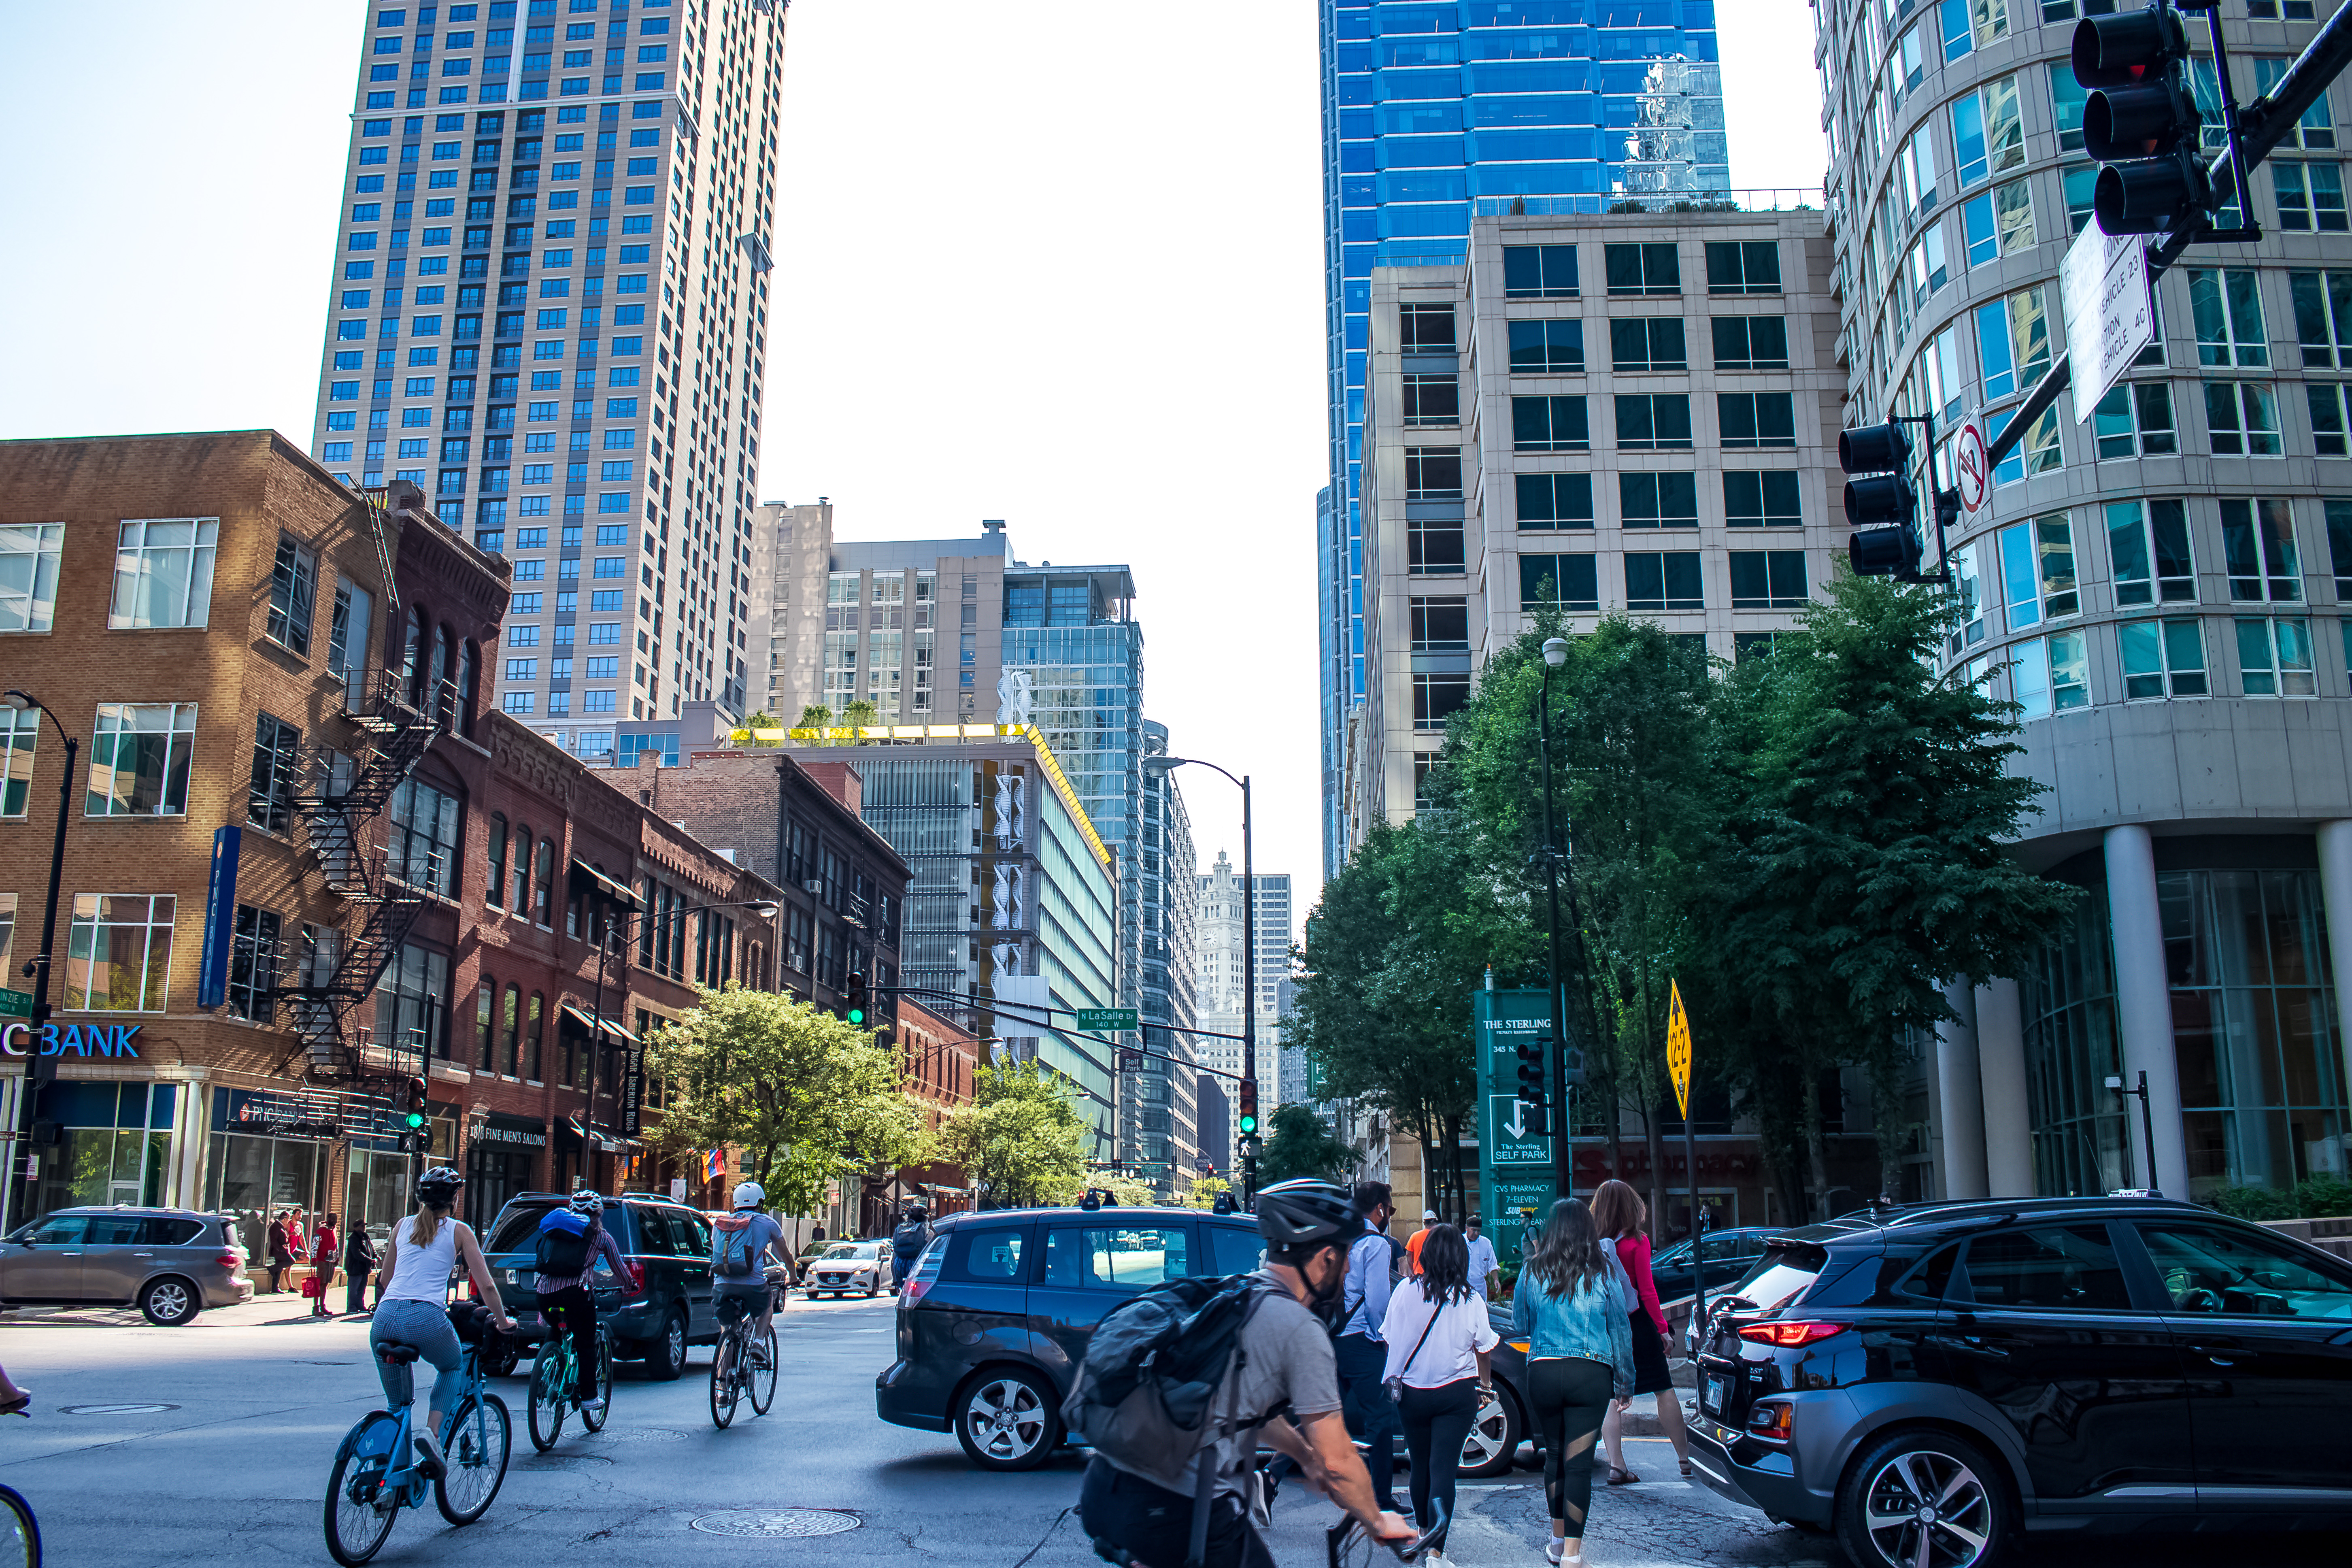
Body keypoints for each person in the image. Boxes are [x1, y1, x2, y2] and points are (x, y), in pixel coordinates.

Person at [1078, 1178, 1414, 1568]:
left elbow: (1242, 1407)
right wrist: (1378, 1519)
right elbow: (1338, 1459)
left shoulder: (1238, 1294)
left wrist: (1304, 1455)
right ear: (1326, 1258)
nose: (1350, 1266)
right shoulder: (1300, 1329)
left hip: (1107, 1491)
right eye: (1346, 1255)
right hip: (1178, 1510)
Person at [1512, 1198, 1633, 1568]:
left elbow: (1520, 1323)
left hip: (1545, 1372)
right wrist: (1625, 1382)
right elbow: (1619, 1329)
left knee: (1554, 1456)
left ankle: (1555, 1540)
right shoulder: (1604, 1270)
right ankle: (1572, 1555)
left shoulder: (1533, 1269)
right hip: (1591, 1374)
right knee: (1579, 1464)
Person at [370, 1168, 512, 1480]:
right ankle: (432, 1434)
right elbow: (486, 1286)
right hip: (425, 1315)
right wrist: (503, 1322)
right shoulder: (459, 1231)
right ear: (454, 1199)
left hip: (385, 1315)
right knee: (452, 1366)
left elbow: (384, 1279)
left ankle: (387, 1476)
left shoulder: (402, 1225)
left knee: (398, 1404)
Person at [1380, 1224, 1497, 1566]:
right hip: (1456, 1394)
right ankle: (1436, 1553)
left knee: (1420, 1464)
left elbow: (1389, 1336)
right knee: (1443, 1467)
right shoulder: (1471, 1298)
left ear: (1426, 1254)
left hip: (1413, 1393)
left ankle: (1422, 1529)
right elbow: (1485, 1347)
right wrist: (1486, 1386)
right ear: (1461, 1257)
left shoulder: (1404, 1290)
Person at [1592, 1179, 1689, 1483]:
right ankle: (1685, 1460)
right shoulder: (1637, 1242)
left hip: (1605, 1326)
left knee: (1610, 1396)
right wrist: (1663, 1330)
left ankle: (1617, 1465)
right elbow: (1647, 1292)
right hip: (1636, 1324)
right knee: (1663, 1387)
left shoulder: (1592, 1243)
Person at [1335, 1179, 1403, 1513]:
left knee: (1318, 1412)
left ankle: (1272, 1477)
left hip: (1330, 1334)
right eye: (1389, 1209)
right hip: (1361, 1338)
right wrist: (1381, 1338)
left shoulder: (1340, 1233)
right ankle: (1382, 1499)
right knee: (1381, 1418)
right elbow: (1378, 1301)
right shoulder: (1376, 1244)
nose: (1388, 1215)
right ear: (1379, 1209)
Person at [536, 1190, 630, 1415]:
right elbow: (618, 1267)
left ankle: (544, 1371)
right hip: (577, 1294)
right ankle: (589, 1398)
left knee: (557, 1329)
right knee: (586, 1343)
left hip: (544, 1294)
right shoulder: (601, 1237)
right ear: (598, 1214)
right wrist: (629, 1284)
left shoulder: (554, 1230)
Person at [710, 1181, 788, 1373]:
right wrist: (793, 1275)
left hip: (721, 1285)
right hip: (753, 1284)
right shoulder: (767, 1223)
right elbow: (785, 1254)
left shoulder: (720, 1224)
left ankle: (722, 1391)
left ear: (735, 1203)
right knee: (767, 1305)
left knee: (729, 1329)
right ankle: (759, 1344)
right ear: (759, 1203)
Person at [890, 1202, 931, 1295]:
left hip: (899, 1268)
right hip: (917, 1266)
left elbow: (895, 1247)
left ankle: (895, 1281)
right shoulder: (926, 1229)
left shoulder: (900, 1228)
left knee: (894, 1255)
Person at [344, 1219, 380, 1317]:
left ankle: (360, 1306)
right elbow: (357, 1253)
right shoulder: (353, 1238)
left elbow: (371, 1248)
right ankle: (352, 1307)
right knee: (354, 1289)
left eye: (364, 1226)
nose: (364, 1228)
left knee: (362, 1288)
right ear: (356, 1227)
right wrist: (370, 1260)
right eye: (362, 1226)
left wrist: (376, 1256)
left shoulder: (365, 1236)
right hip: (355, 1268)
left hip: (365, 1268)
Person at [1463, 1215, 1501, 1301]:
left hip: (1480, 1285)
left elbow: (1493, 1265)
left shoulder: (1486, 1243)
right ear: (1467, 1228)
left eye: (1479, 1231)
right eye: (1474, 1230)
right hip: (1463, 1285)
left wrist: (1496, 1280)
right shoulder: (1459, 1241)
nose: (1476, 1234)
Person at [312, 1214, 341, 1317]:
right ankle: (316, 1307)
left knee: (326, 1284)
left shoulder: (334, 1230)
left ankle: (323, 1306)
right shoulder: (321, 1231)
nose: (334, 1221)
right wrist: (314, 1258)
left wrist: (337, 1258)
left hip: (331, 1260)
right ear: (328, 1219)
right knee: (320, 1283)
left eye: (336, 1219)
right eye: (332, 1219)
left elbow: (336, 1245)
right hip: (322, 1260)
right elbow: (315, 1245)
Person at [266, 1210, 294, 1294]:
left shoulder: (281, 1226)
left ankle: (275, 1288)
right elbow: (274, 1241)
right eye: (288, 1219)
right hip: (279, 1252)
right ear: (285, 1219)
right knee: (291, 1261)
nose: (289, 1221)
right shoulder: (276, 1226)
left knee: (280, 1269)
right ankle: (272, 1268)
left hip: (282, 1250)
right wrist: (281, 1249)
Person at [1404, 1208, 1438, 1274]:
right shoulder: (1439, 1236)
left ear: (1424, 1223)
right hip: (1435, 1275)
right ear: (1435, 1223)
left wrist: (1412, 1271)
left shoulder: (1415, 1236)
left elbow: (1409, 1254)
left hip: (1419, 1275)